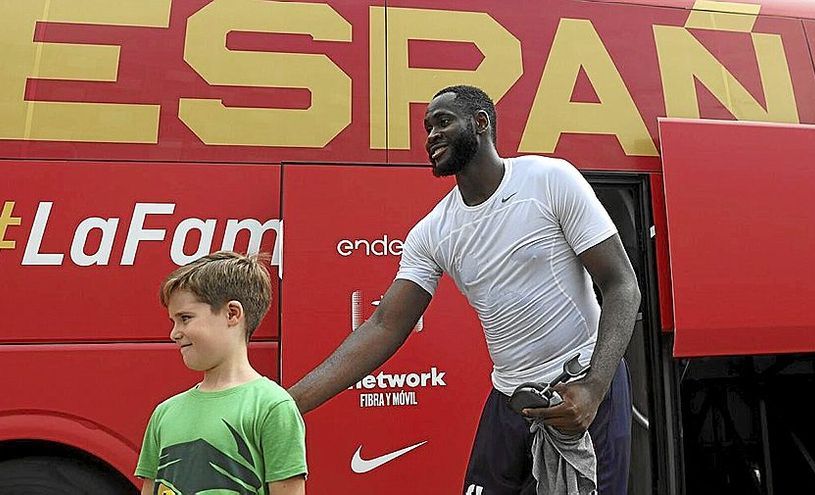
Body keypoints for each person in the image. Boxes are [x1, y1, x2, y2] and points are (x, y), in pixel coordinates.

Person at [289, 85, 640, 494]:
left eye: (443, 121)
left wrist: (594, 388)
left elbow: (621, 284)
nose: (431, 135)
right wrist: (289, 403)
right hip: (510, 399)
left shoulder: (550, 180)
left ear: (480, 123)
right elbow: (385, 325)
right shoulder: (433, 232)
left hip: (581, 386)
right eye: (426, 128)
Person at [136, 251, 307, 495]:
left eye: (185, 318)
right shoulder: (164, 413)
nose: (174, 333)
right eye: (173, 321)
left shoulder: (272, 406)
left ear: (232, 314)